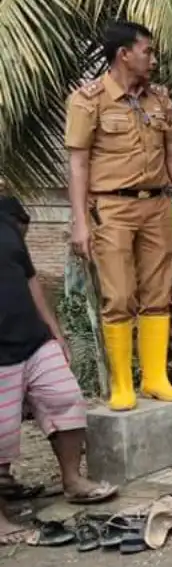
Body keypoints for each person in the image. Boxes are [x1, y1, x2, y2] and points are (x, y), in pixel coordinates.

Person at [65, 21, 172, 412]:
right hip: (112, 208)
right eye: (147, 51)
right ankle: (122, 385)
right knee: (120, 295)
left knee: (158, 292)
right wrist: (80, 221)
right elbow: (78, 164)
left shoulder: (160, 99)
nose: (153, 60)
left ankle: (155, 378)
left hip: (156, 206)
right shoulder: (88, 100)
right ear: (124, 54)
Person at [0, 195, 117, 546]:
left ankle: (73, 480)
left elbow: (30, 278)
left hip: (33, 338)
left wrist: (54, 330)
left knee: (65, 399)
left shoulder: (5, 219)